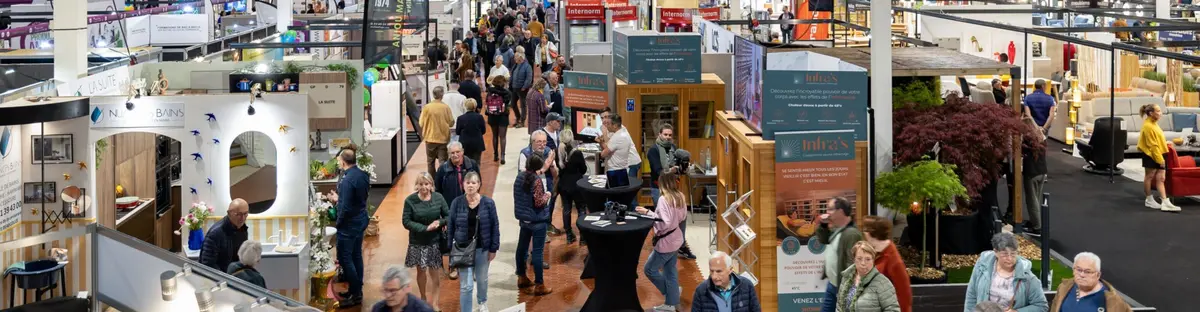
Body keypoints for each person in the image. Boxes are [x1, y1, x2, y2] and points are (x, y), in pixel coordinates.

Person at [447, 172, 500, 312]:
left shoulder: (488, 203)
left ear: (479, 185)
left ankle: (482, 302)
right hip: (463, 249)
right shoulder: (456, 203)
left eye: (474, 182)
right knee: (466, 285)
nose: (470, 185)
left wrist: (494, 248)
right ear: (463, 184)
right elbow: (450, 226)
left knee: (482, 279)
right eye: (468, 182)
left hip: (482, 249)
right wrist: (449, 249)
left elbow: (495, 225)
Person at [635, 172, 688, 312]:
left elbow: (664, 223)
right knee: (670, 271)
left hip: (666, 243)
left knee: (649, 269)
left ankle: (672, 296)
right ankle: (673, 297)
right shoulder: (681, 196)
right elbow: (682, 217)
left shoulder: (664, 200)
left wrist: (648, 213)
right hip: (676, 239)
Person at [963, 229, 1049, 312]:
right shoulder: (982, 266)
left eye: (1013, 253)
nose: (1009, 258)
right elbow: (972, 295)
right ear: (995, 252)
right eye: (1004, 254)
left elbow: (1041, 306)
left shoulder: (1027, 277)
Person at [328, 147, 371, 306]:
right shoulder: (363, 175)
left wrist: (338, 223)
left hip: (348, 225)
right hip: (360, 220)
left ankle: (355, 292)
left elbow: (345, 208)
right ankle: (357, 288)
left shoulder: (346, 180)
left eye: (339, 160)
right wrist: (339, 199)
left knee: (346, 259)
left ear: (343, 161)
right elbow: (356, 199)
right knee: (356, 255)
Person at [402, 172, 450, 308]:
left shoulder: (438, 198)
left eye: (426, 184)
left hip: (434, 241)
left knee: (435, 272)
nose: (424, 187)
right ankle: (423, 298)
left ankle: (435, 303)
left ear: (431, 185)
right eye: (421, 184)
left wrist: (439, 222)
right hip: (417, 242)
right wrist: (424, 228)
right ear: (417, 185)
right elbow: (406, 221)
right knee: (421, 271)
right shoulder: (410, 200)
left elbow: (448, 215)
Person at [513, 154, 553, 295]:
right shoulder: (536, 181)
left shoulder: (519, 177)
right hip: (537, 221)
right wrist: (547, 194)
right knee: (537, 253)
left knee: (521, 248)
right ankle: (539, 285)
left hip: (524, 221)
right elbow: (539, 202)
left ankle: (521, 277)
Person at [816, 197, 863, 312]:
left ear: (840, 212)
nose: (827, 212)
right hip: (833, 284)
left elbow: (852, 264)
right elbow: (824, 240)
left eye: (830, 209)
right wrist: (823, 225)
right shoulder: (839, 229)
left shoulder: (851, 234)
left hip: (841, 287)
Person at [1049, 252, 1132, 312]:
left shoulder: (1112, 300)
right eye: (1078, 270)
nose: (1082, 274)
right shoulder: (1064, 288)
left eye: (1087, 271)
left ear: (1098, 275)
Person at [860, 216, 912, 312]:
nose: (863, 234)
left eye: (864, 230)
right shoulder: (876, 253)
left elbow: (904, 295)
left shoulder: (893, 260)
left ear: (870, 233)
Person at [518, 130, 559, 242]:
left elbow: (555, 174)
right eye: (539, 142)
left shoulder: (548, 151)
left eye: (544, 142)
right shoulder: (525, 153)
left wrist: (551, 166)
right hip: (530, 190)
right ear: (532, 142)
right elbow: (523, 176)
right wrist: (543, 169)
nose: (543, 145)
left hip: (546, 187)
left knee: (545, 212)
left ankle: (542, 233)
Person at [835, 241, 902, 312]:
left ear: (873, 260)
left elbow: (893, 310)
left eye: (868, 259)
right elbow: (839, 307)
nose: (863, 263)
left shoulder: (883, 283)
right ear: (854, 259)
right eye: (859, 258)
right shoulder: (846, 277)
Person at [1137, 104, 1178, 212]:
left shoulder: (1154, 124)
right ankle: (1149, 199)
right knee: (1149, 176)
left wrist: (1165, 143)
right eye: (1158, 111)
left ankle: (1165, 202)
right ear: (1151, 113)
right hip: (1151, 154)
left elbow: (1157, 139)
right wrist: (1160, 160)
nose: (1161, 113)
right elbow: (1152, 145)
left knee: (1161, 178)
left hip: (1159, 153)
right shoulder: (1148, 126)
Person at [691, 251, 762, 311]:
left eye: (719, 271)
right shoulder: (701, 290)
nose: (714, 276)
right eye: (712, 271)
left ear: (730, 270)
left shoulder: (746, 286)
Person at [200, 199, 250, 273]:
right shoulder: (215, 233)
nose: (242, 218)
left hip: (234, 277)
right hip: (219, 280)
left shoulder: (243, 229)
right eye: (238, 214)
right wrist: (227, 279)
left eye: (245, 214)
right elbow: (208, 264)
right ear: (229, 213)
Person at [556, 130, 588, 244]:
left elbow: (559, 169)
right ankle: (583, 237)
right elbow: (584, 170)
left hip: (563, 185)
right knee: (581, 209)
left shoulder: (558, 151)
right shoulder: (577, 153)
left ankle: (569, 235)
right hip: (577, 185)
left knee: (566, 209)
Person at [1021, 115, 1048, 235]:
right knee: (1036, 198)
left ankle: (1037, 227)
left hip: (1031, 172)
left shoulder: (1027, 140)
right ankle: (1034, 221)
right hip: (1042, 171)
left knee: (1032, 200)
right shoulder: (1041, 137)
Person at [420, 87, 455, 175]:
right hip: (443, 138)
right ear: (442, 95)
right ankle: (442, 179)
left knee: (430, 162)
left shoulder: (426, 107)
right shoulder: (445, 107)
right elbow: (451, 123)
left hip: (429, 138)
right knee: (442, 161)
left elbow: (421, 123)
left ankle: (432, 179)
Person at [372, 265, 436, 312]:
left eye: (393, 290)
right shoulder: (377, 309)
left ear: (407, 288)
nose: (388, 295)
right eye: (386, 290)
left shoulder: (423, 310)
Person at [602, 113, 634, 188]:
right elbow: (609, 148)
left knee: (613, 197)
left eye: (608, 124)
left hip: (614, 173)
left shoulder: (617, 137)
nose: (607, 126)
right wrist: (601, 142)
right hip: (623, 171)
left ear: (615, 125)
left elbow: (603, 154)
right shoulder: (625, 133)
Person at [485, 76, 512, 163]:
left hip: (492, 116)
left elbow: (486, 102)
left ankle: (495, 155)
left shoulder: (489, 92)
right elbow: (508, 103)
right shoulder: (507, 93)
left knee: (495, 136)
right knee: (503, 137)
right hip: (503, 116)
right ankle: (503, 156)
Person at [456, 100, 488, 164]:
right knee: (477, 162)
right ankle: (476, 173)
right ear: (475, 106)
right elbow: (483, 131)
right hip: (477, 143)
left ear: (465, 106)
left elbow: (457, 132)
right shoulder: (479, 117)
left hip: (465, 144)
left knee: (465, 163)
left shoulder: (461, 118)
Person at [511, 54, 534, 127]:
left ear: (520, 58)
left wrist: (524, 87)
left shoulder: (527, 66)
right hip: (514, 88)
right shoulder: (515, 65)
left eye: (516, 57)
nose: (514, 58)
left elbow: (529, 78)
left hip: (522, 89)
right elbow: (512, 75)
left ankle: (522, 121)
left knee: (523, 105)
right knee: (513, 104)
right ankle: (518, 117)